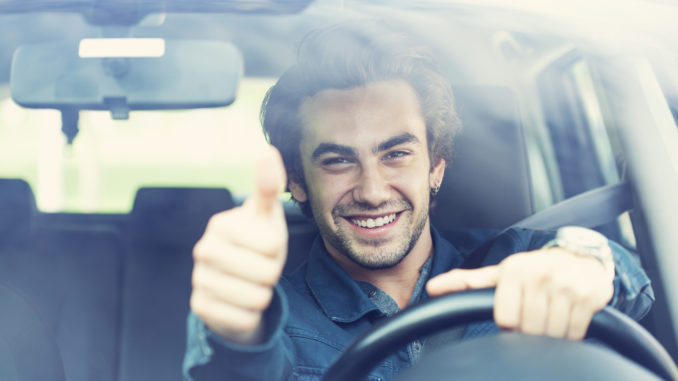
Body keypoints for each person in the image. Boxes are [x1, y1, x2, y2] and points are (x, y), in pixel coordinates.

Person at [183, 22, 654, 380]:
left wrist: (585, 263)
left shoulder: (517, 262)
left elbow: (628, 279)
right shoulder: (274, 317)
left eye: (396, 154)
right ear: (297, 181)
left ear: (436, 166)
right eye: (337, 161)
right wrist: (237, 331)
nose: (371, 191)